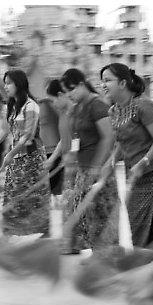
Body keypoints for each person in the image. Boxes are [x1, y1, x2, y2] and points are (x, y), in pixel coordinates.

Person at [100, 63, 153, 247]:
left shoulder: (145, 106)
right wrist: (110, 162)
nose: (103, 85)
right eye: (101, 81)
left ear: (123, 83)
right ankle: (144, 267)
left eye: (107, 80)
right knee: (138, 225)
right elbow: (122, 142)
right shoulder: (113, 111)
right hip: (135, 176)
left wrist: (144, 161)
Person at [59, 68, 118, 254]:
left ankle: (106, 255)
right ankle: (95, 253)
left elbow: (108, 138)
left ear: (82, 84)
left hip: (99, 170)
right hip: (82, 168)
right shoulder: (76, 108)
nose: (70, 94)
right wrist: (70, 156)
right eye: (67, 91)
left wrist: (97, 166)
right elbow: (76, 136)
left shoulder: (97, 105)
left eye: (72, 89)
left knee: (102, 213)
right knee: (87, 215)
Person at [0, 69, 51, 236]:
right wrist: (9, 152)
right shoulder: (13, 106)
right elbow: (13, 134)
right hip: (16, 156)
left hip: (31, 157)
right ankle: (11, 230)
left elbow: (27, 136)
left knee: (33, 195)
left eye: (9, 83)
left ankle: (42, 229)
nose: (6, 87)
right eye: (4, 83)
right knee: (12, 193)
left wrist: (10, 153)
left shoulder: (31, 106)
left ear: (19, 84)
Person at [39, 80, 65, 198]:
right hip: (50, 150)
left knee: (58, 187)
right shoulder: (43, 105)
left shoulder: (62, 110)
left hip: (58, 151)